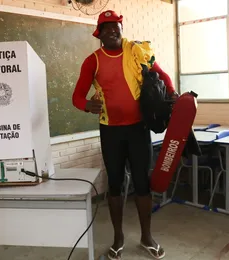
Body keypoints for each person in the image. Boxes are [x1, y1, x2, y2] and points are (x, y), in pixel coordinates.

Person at [72, 10, 177, 260]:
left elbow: (163, 75)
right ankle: (118, 238)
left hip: (138, 128)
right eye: (106, 27)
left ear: (121, 28)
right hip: (111, 131)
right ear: (99, 33)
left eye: (116, 25)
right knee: (115, 184)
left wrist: (171, 93)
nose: (112, 30)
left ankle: (146, 237)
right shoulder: (93, 61)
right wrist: (87, 105)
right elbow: (77, 96)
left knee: (142, 184)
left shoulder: (137, 52)